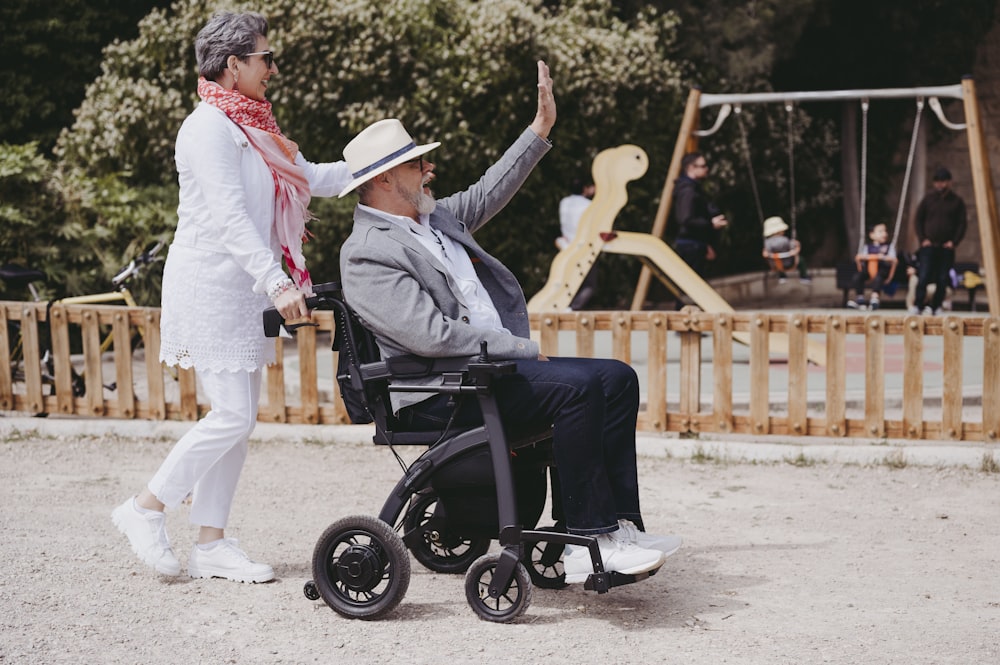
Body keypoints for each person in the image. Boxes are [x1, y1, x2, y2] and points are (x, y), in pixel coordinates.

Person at [337, 61, 679, 584]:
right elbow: (431, 335)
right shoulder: (366, 252)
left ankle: (617, 527)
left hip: (486, 372)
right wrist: (515, 348)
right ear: (384, 178)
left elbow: (490, 189)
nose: (428, 170)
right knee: (577, 389)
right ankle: (587, 537)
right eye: (416, 166)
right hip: (445, 388)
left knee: (616, 377)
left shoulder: (434, 218)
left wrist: (539, 130)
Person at [111, 11, 352, 582]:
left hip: (242, 289)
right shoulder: (206, 129)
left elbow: (310, 176)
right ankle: (145, 508)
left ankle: (212, 542)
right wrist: (277, 281)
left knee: (238, 419)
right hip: (212, 285)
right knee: (234, 415)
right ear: (232, 64)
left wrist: (381, 163)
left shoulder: (252, 127)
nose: (272, 68)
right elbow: (229, 218)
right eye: (265, 58)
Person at [671, 152, 728, 308]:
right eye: (703, 166)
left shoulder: (692, 188)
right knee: (690, 286)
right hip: (690, 245)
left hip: (695, 243)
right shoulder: (688, 191)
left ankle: (688, 321)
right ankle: (685, 321)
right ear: (691, 168)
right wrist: (711, 224)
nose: (706, 169)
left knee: (692, 286)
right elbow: (685, 219)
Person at [910, 167, 967, 315]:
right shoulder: (928, 199)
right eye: (938, 182)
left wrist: (954, 242)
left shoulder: (957, 201)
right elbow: (918, 220)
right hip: (929, 245)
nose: (940, 185)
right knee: (923, 275)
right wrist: (923, 239)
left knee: (942, 277)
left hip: (946, 246)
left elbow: (961, 223)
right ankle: (918, 304)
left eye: (943, 182)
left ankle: (936, 306)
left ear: (949, 182)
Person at [556, 176, 598, 309]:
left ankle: (565, 306)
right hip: (583, 247)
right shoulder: (589, 205)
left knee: (567, 280)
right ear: (585, 189)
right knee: (589, 284)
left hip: (566, 247)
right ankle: (573, 308)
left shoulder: (564, 202)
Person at [847, 222, 898, 310]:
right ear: (872, 235)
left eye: (885, 231)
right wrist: (866, 257)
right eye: (880, 231)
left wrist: (883, 257)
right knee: (857, 277)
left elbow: (893, 259)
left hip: (882, 269)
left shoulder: (889, 246)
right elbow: (861, 257)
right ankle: (860, 299)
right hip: (869, 270)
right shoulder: (868, 247)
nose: (884, 233)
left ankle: (874, 298)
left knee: (879, 277)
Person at [761, 215, 811, 284]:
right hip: (789, 263)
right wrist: (796, 245)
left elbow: (765, 253)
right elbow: (792, 248)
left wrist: (767, 254)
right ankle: (804, 277)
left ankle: (782, 276)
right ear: (780, 230)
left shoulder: (767, 243)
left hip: (776, 265)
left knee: (777, 262)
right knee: (801, 260)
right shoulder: (785, 240)